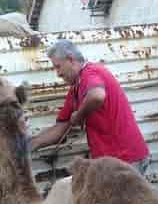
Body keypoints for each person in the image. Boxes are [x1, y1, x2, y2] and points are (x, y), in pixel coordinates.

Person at [30, 40, 151, 175]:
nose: (57, 73)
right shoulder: (76, 89)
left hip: (125, 160)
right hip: (110, 163)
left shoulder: (90, 73)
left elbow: (97, 96)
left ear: (71, 60)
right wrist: (30, 145)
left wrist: (79, 115)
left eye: (58, 67)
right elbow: (60, 129)